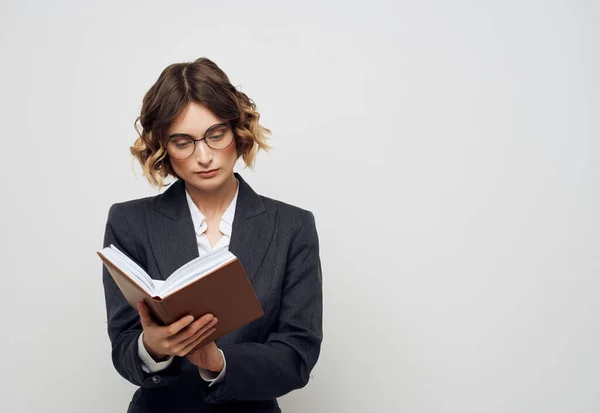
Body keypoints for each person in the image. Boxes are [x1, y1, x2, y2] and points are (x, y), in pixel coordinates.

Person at [101, 57, 323, 413]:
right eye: (183, 142)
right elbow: (124, 348)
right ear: (163, 147)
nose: (203, 156)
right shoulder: (129, 222)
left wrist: (217, 361)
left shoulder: (293, 226)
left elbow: (298, 355)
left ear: (237, 131)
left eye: (215, 135)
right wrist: (153, 348)